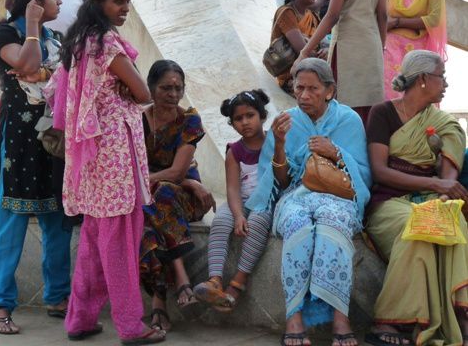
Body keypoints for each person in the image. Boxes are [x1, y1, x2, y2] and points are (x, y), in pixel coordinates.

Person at [52, 0, 165, 344]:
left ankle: (80, 320)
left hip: (94, 155)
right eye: (119, 1)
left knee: (94, 242)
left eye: (128, 0)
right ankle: (131, 326)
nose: (125, 8)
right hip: (115, 149)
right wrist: (127, 98)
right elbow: (144, 90)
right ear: (99, 2)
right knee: (119, 243)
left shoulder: (79, 41)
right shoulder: (106, 44)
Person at [247, 58, 371, 346]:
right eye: (298, 87)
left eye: (312, 88)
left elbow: (363, 173)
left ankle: (341, 317)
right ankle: (294, 317)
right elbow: (279, 181)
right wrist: (278, 143)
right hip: (297, 195)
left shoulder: (349, 120)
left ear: (329, 90)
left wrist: (335, 152)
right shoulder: (287, 121)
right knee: (297, 226)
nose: (303, 95)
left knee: (333, 223)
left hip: (337, 195)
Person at [0, 0, 71, 334]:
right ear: (35, 1)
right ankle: (0, 304)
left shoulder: (59, 38)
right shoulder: (6, 33)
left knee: (58, 219)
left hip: (54, 140)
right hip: (20, 142)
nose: (60, 1)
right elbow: (26, 65)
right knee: (11, 219)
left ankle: (58, 296)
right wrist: (32, 26)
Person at [364, 50, 468, 346]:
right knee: (418, 225)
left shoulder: (445, 123)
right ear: (423, 79)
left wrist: (440, 186)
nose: (445, 84)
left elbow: (448, 180)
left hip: (427, 198)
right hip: (388, 203)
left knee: (452, 219)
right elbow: (380, 171)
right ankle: (388, 319)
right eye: (441, 77)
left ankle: (460, 314)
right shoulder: (382, 113)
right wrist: (434, 183)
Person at [139, 59, 216, 332]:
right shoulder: (138, 120)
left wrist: (148, 179)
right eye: (165, 88)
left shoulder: (189, 120)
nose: (173, 95)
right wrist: (183, 179)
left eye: (178, 88)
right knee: (146, 230)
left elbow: (175, 172)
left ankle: (180, 279)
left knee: (164, 191)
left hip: (183, 197)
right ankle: (159, 302)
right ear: (150, 88)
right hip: (150, 199)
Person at [194, 89, 272, 313]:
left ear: (262, 116)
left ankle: (237, 284)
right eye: (238, 119)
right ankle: (215, 280)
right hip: (241, 200)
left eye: (250, 115)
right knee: (220, 221)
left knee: (257, 224)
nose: (245, 122)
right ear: (232, 123)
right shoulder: (234, 151)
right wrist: (237, 215)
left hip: (265, 201)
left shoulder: (274, 143)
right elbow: (232, 188)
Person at [270, 0, 325, 95]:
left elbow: (321, 44)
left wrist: (326, 50)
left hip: (313, 69)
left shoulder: (311, 15)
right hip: (292, 78)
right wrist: (318, 52)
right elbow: (303, 51)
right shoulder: (287, 13)